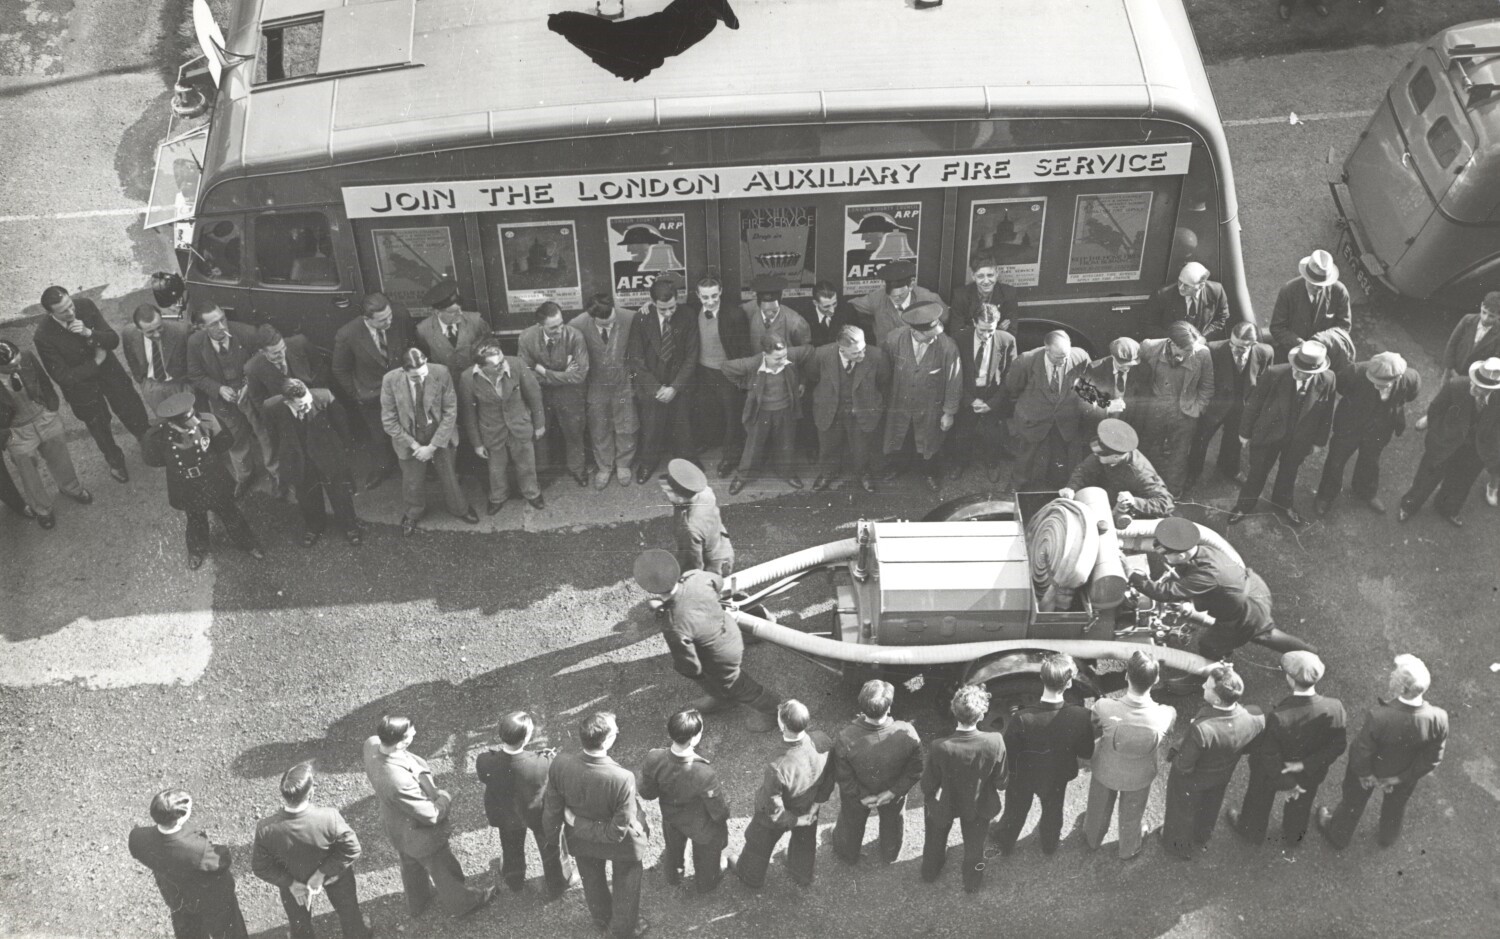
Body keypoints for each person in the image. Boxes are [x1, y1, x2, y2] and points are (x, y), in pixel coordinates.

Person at [362, 715, 497, 918]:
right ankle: (465, 903)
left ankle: (418, 901)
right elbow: (431, 815)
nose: (415, 733)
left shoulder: (372, 744)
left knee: (410, 864)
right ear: (401, 742)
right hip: (421, 836)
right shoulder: (398, 782)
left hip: (397, 827)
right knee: (443, 870)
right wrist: (444, 798)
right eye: (410, 734)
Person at [1130, 517, 1315, 661]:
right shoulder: (1202, 550)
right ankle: (1309, 652)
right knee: (1264, 632)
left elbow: (1165, 592)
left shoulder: (1207, 575)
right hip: (1252, 589)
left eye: (1165, 554)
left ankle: (1206, 675)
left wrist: (1134, 576)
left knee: (1210, 644)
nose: (1163, 556)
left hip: (1247, 611)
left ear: (1183, 554)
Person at [633, 549, 779, 731]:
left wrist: (697, 675)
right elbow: (718, 583)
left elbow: (690, 665)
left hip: (722, 655)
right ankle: (723, 697)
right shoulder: (695, 577)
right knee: (721, 678)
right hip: (730, 630)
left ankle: (772, 710)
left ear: (649, 589)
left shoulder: (673, 624)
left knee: (734, 684)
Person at [1316, 654, 1448, 849]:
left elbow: (1362, 750)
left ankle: (1338, 835)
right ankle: (1387, 837)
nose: (1391, 676)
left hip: (1370, 771)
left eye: (1395, 675)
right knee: (1395, 807)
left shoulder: (1379, 717)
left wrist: (1365, 774)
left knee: (1353, 802)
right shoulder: (1439, 717)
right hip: (1404, 773)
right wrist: (1400, 778)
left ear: (1403, 688)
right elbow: (1432, 758)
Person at [542, 712, 651, 938]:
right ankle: (623, 929)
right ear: (608, 740)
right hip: (621, 846)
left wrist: (558, 836)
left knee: (592, 879)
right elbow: (616, 832)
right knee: (627, 883)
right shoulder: (622, 777)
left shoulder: (560, 763)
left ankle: (601, 919)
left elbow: (552, 808)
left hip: (582, 841)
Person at [1226, 652, 1346, 853]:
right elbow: (1338, 745)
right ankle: (1293, 836)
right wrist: (1306, 765)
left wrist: (1289, 783)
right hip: (1310, 772)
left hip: (1276, 772)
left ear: (1290, 678)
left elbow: (1269, 755)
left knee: (1259, 798)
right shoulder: (1335, 707)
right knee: (1301, 805)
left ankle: (1250, 830)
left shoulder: (1279, 717)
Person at [32, 286, 150, 482]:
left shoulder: (85, 306)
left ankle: (147, 442)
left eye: (70, 305)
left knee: (131, 407)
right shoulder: (43, 336)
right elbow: (63, 376)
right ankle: (115, 461)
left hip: (111, 375)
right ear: (50, 313)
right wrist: (96, 362)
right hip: (82, 389)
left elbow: (112, 340)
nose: (71, 312)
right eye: (63, 311)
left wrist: (89, 333)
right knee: (99, 426)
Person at [251, 762, 372, 939]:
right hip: (334, 878)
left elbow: (260, 867)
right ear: (311, 792)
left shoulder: (265, 829)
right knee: (349, 912)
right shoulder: (329, 817)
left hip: (294, 882)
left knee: (299, 924)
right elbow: (352, 849)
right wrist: (321, 874)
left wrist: (291, 883)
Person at [992, 653, 1095, 856]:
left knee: (1016, 810)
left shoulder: (1022, 718)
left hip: (1023, 776)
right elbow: (1086, 751)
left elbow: (1009, 754)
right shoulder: (1081, 716)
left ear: (1041, 678)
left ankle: (1005, 842)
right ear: (1068, 684)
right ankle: (1049, 844)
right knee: (1053, 809)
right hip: (1057, 775)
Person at [147, 392, 264, 569]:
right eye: (186, 421)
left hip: (212, 478)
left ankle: (248, 543)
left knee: (230, 513)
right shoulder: (157, 437)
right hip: (185, 484)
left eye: (193, 415)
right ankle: (196, 549)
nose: (194, 422)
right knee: (195, 518)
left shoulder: (208, 422)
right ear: (171, 423)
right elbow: (153, 459)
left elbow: (224, 443)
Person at [1160, 664, 1265, 860]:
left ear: (1217, 698)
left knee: (1181, 810)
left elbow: (1184, 765)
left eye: (1207, 686)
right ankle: (1202, 835)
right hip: (1222, 774)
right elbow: (1253, 742)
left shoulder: (1202, 729)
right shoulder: (1254, 717)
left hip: (1193, 779)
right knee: (1210, 805)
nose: (1202, 688)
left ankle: (1178, 846)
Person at [1229, 339, 1337, 527]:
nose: (1295, 372)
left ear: (1315, 371)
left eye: (1302, 372)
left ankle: (1283, 503)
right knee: (1257, 472)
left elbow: (1327, 413)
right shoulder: (1274, 374)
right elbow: (1254, 404)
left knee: (1289, 473)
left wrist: (1319, 441)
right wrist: (1244, 433)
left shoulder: (1328, 380)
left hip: (1298, 440)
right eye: (1295, 367)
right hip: (1269, 435)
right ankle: (1244, 506)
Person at [1083, 650, 1177, 859]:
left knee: (1098, 807)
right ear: (1156, 680)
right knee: (1132, 815)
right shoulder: (1165, 714)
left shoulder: (1104, 707)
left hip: (1105, 768)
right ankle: (1128, 848)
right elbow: (1170, 722)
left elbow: (1095, 724)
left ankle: (1092, 838)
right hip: (1140, 775)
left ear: (1126, 675)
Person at [734, 699, 837, 889]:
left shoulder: (777, 766)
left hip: (780, 816)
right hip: (809, 806)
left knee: (758, 845)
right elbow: (830, 775)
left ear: (783, 726)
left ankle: (750, 877)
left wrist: (794, 821)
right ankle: (802, 875)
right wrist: (816, 805)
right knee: (805, 843)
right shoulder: (822, 739)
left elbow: (772, 806)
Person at [474, 711, 578, 893]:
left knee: (510, 845)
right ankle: (559, 881)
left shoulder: (484, 761)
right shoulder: (544, 762)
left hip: (506, 813)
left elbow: (485, 778)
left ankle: (514, 879)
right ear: (526, 737)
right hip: (538, 812)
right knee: (551, 848)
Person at [920, 684, 1008, 892]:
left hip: (945, 802)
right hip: (979, 804)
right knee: (976, 848)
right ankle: (972, 882)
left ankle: (930, 872)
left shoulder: (939, 746)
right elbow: (1001, 780)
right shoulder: (995, 741)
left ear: (954, 711)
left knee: (934, 839)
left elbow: (927, 785)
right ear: (981, 715)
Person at [381, 347, 479, 534]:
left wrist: (432, 447)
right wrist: (415, 445)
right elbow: (389, 421)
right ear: (403, 371)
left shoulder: (441, 372)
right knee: (412, 481)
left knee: (449, 475)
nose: (421, 379)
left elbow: (450, 412)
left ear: (426, 362)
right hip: (408, 438)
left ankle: (460, 508)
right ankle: (413, 513)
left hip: (439, 434)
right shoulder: (390, 380)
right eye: (415, 377)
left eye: (423, 374)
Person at [129, 788, 248, 939]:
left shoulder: (137, 837)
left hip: (175, 896)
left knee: (188, 931)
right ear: (179, 818)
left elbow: (138, 852)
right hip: (210, 898)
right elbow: (222, 862)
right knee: (229, 930)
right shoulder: (197, 849)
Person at [1315, 351, 1421, 516]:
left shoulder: (1410, 378)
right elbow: (1341, 387)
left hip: (1381, 428)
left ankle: (1365, 491)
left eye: (1381, 384)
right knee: (1336, 460)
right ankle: (1326, 495)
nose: (1376, 385)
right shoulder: (1355, 372)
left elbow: (1412, 394)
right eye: (1373, 381)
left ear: (1397, 378)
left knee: (1371, 460)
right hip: (1350, 425)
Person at [831, 679, 924, 865]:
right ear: (888, 708)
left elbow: (843, 775)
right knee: (893, 822)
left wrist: (862, 796)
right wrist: (893, 792)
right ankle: (890, 853)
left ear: (862, 707)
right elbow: (915, 769)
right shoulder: (908, 732)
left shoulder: (846, 737)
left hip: (858, 797)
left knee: (851, 823)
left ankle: (848, 854)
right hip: (893, 792)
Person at [0, 340, 92, 530]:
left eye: (18, 361)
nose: (19, 366)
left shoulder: (26, 356)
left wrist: (51, 407)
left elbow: (43, 381)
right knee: (28, 473)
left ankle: (71, 488)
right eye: (12, 367)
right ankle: (43, 509)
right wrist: (5, 435)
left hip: (44, 417)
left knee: (60, 457)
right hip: (17, 431)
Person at [638, 709, 732, 892]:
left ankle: (674, 875)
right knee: (706, 858)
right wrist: (723, 820)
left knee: (673, 851)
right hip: (701, 826)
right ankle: (706, 884)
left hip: (672, 818)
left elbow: (647, 793)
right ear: (694, 738)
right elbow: (718, 811)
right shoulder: (704, 773)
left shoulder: (654, 757)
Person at [1399, 358, 1500, 523]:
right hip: (1445, 442)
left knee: (1461, 483)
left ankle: (1447, 509)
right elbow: (1435, 411)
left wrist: (1490, 448)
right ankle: (1409, 506)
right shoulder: (1456, 385)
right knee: (1426, 478)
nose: (1474, 387)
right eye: (1475, 381)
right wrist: (1437, 435)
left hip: (1475, 450)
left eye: (1481, 387)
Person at [187, 305, 272, 499]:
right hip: (224, 402)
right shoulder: (195, 343)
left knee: (264, 433)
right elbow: (195, 375)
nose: (222, 325)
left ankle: (276, 474)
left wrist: (248, 385)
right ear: (202, 327)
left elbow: (263, 359)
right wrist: (218, 389)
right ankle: (245, 477)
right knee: (235, 439)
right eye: (214, 323)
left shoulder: (246, 333)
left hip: (251, 396)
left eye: (223, 319)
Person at [265, 379, 362, 546]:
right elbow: (274, 435)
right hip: (299, 459)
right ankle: (314, 526)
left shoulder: (325, 397)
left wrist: (340, 453)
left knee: (340, 493)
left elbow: (343, 427)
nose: (307, 407)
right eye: (301, 405)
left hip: (327, 455)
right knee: (307, 496)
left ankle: (350, 527)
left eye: (308, 402)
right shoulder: (272, 408)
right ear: (288, 402)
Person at [333, 292, 413, 490]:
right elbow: (340, 369)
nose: (389, 321)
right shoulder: (348, 334)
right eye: (383, 320)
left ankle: (415, 467)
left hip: (403, 388)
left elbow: (412, 345)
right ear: (366, 319)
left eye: (389, 316)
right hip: (371, 395)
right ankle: (383, 467)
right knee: (379, 435)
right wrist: (356, 393)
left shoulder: (400, 316)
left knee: (409, 428)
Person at [1184, 321, 1273, 494]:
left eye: (1241, 348)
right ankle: (1193, 472)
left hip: (1241, 408)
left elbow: (1265, 381)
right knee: (1200, 440)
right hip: (1215, 406)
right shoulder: (1213, 349)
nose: (1234, 349)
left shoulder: (1266, 352)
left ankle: (1229, 468)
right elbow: (1201, 380)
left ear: (1253, 344)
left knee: (1234, 442)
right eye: (1232, 344)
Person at [882, 302, 962, 490]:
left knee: (930, 442)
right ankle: (899, 466)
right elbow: (885, 371)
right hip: (900, 404)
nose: (934, 339)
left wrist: (949, 413)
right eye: (929, 336)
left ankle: (930, 473)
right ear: (914, 331)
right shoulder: (894, 339)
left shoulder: (948, 346)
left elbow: (954, 381)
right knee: (900, 436)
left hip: (930, 408)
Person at [627, 274, 699, 483]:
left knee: (683, 426)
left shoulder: (687, 315)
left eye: (672, 308)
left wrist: (675, 387)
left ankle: (688, 463)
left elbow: (691, 355)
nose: (668, 313)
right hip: (653, 386)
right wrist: (656, 388)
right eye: (663, 309)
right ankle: (647, 464)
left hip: (679, 383)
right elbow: (636, 358)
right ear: (652, 303)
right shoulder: (641, 318)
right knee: (651, 428)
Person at [1005, 329, 1099, 489]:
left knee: (1059, 458)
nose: (1063, 361)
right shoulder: (1026, 360)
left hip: (1064, 419)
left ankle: (1055, 490)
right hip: (1034, 418)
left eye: (1066, 356)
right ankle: (1015, 489)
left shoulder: (1080, 356)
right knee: (1026, 458)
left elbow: (1086, 382)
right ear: (1046, 349)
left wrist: (1092, 397)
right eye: (1058, 358)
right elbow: (1013, 388)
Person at [458, 342, 546, 512]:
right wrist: (477, 443)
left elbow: (534, 395)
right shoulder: (467, 378)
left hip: (519, 425)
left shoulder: (517, 364)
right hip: (492, 430)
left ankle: (532, 493)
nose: (502, 366)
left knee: (526, 463)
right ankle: (498, 496)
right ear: (481, 366)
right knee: (496, 468)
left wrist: (539, 424)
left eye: (502, 361)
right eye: (496, 365)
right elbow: (468, 413)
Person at [721, 334, 813, 494]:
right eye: (777, 358)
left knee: (786, 444)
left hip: (785, 410)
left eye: (784, 356)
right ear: (765, 355)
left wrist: (802, 380)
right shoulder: (752, 364)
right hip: (761, 412)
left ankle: (787, 473)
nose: (783, 361)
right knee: (753, 446)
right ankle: (743, 476)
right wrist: (745, 384)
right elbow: (726, 367)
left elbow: (810, 351)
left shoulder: (790, 356)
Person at [804, 325, 889, 492]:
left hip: (862, 409)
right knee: (829, 444)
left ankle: (864, 473)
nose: (862, 355)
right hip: (830, 408)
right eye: (856, 353)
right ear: (841, 349)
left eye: (863, 349)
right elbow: (812, 375)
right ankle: (828, 472)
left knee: (862, 446)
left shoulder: (877, 356)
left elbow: (884, 381)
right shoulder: (821, 354)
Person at [1132, 322, 1215, 493]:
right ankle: (1145, 488)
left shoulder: (1202, 354)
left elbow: (1207, 386)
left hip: (1185, 413)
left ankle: (1173, 491)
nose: (1192, 352)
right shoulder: (1149, 347)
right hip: (1155, 409)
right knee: (1147, 447)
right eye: (1187, 350)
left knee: (1179, 454)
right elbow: (1135, 373)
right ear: (1173, 343)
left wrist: (1198, 409)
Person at [571, 293, 640, 488]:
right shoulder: (578, 324)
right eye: (602, 323)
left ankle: (624, 464)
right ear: (592, 317)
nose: (607, 325)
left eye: (610, 321)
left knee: (627, 425)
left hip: (623, 382)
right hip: (597, 384)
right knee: (599, 427)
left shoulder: (629, 317)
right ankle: (605, 466)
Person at [518, 301, 591, 487]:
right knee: (539, 433)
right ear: (539, 325)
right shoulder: (526, 337)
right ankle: (542, 472)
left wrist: (543, 371)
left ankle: (577, 469)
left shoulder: (575, 336)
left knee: (574, 432)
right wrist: (563, 374)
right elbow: (525, 372)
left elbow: (580, 375)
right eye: (553, 328)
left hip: (571, 395)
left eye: (561, 324)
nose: (559, 330)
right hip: (540, 395)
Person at [686, 276, 752, 476]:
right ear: (698, 295)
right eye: (705, 297)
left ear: (721, 291)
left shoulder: (734, 314)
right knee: (708, 409)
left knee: (732, 415)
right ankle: (711, 441)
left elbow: (744, 349)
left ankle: (731, 457)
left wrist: (741, 377)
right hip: (703, 371)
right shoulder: (691, 310)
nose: (710, 301)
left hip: (726, 372)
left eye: (714, 295)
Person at [949, 301, 1017, 481]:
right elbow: (953, 375)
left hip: (992, 396)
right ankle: (960, 463)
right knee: (962, 433)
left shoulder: (1007, 340)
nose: (986, 335)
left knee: (993, 435)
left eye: (991, 331)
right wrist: (970, 400)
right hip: (968, 394)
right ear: (973, 322)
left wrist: (992, 403)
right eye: (982, 330)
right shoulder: (959, 339)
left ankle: (992, 464)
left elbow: (1009, 377)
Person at [1060, 418, 1175, 519]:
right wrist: (1071, 488)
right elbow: (1083, 470)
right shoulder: (1105, 453)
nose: (1095, 455)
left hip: (1130, 514)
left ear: (1115, 457)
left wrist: (1134, 501)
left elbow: (1166, 504)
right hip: (1104, 504)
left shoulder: (1140, 472)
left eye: (1100, 454)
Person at [1269, 249, 1351, 362]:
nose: (1317, 288)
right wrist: (1301, 344)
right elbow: (1277, 328)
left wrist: (1321, 340)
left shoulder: (1339, 291)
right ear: (1305, 276)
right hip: (1292, 352)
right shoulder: (1288, 291)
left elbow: (1344, 326)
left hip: (1324, 354)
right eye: (1313, 283)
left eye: (1322, 285)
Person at [659, 458, 733, 576]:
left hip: (713, 566)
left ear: (681, 499)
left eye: (668, 491)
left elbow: (694, 565)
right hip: (720, 547)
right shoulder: (703, 491)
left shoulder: (690, 528)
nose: (664, 491)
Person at [851, 259, 947, 349]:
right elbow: (852, 305)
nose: (896, 299)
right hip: (887, 355)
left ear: (911, 286)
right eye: (892, 296)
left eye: (901, 296)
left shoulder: (928, 299)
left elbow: (945, 318)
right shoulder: (877, 298)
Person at [122, 304, 192, 418]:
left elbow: (194, 361)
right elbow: (131, 358)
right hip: (152, 388)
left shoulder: (182, 331)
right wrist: (142, 383)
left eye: (159, 327)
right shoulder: (128, 333)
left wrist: (189, 388)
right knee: (166, 423)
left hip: (179, 384)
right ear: (139, 329)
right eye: (150, 332)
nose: (157, 334)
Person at [415, 280, 489, 375]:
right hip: (446, 382)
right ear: (437, 312)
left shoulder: (476, 321)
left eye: (460, 309)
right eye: (453, 312)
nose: (460, 313)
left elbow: (489, 347)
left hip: (475, 379)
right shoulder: (423, 330)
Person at [1146, 262, 1232, 341]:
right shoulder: (1162, 294)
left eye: (1186, 286)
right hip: (1173, 344)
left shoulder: (1216, 291)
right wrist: (1177, 340)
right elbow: (1149, 325)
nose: (1180, 287)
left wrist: (1203, 338)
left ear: (1201, 286)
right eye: (1180, 282)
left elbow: (1222, 318)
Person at [244, 324, 321, 410]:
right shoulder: (252, 369)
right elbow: (260, 402)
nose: (282, 355)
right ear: (262, 352)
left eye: (283, 348)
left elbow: (319, 367)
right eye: (276, 353)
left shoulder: (300, 342)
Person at [947, 251, 1018, 334]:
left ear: (997, 274)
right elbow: (957, 333)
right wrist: (998, 329)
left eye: (990, 275)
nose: (986, 281)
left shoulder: (1008, 293)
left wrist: (971, 329)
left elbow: (1011, 333)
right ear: (973, 276)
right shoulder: (961, 296)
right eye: (980, 276)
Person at [739, 274, 811, 352]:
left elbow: (805, 354)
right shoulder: (747, 311)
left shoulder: (796, 323)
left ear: (781, 297)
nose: (769, 312)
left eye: (774, 308)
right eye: (764, 308)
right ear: (757, 301)